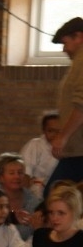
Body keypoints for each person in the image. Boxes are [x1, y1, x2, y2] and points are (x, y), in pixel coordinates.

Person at [45, 18, 83, 194]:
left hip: (79, 149)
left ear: (79, 37)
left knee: (55, 195)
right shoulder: (78, 62)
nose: (64, 49)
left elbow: (81, 103)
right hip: (77, 149)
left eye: (65, 43)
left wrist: (63, 136)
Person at [0, 153, 42, 241]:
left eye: (20, 172)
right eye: (12, 173)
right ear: (1, 178)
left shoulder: (33, 201)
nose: (17, 176)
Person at [21, 112, 60, 199]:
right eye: (50, 131)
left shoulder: (69, 150)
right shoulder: (35, 145)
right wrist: (25, 198)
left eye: (59, 131)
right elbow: (25, 173)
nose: (55, 135)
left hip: (58, 191)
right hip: (34, 190)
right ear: (44, 130)